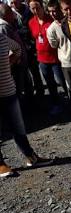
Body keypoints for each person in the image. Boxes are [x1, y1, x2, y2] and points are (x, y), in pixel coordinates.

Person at [0, 33, 52, 177]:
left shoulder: (2, 37)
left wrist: (10, 61)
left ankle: (31, 157)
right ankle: (0, 165)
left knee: (19, 127)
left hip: (9, 91)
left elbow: (17, 48)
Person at [28, 0, 67, 115]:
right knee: (50, 84)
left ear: (42, 7)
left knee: (63, 82)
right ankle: (56, 104)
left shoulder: (51, 20)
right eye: (32, 8)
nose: (35, 10)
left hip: (55, 58)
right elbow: (34, 37)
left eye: (37, 7)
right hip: (42, 59)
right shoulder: (31, 22)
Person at [46, 0, 71, 118]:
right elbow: (54, 45)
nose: (53, 14)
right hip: (67, 61)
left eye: (55, 11)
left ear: (60, 10)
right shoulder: (51, 29)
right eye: (50, 12)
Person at [10, 0, 44, 99]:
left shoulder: (28, 10)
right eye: (12, 2)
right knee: (24, 72)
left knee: (35, 71)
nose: (14, 3)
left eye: (15, 1)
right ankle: (29, 94)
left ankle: (40, 92)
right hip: (19, 47)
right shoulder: (10, 12)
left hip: (31, 46)